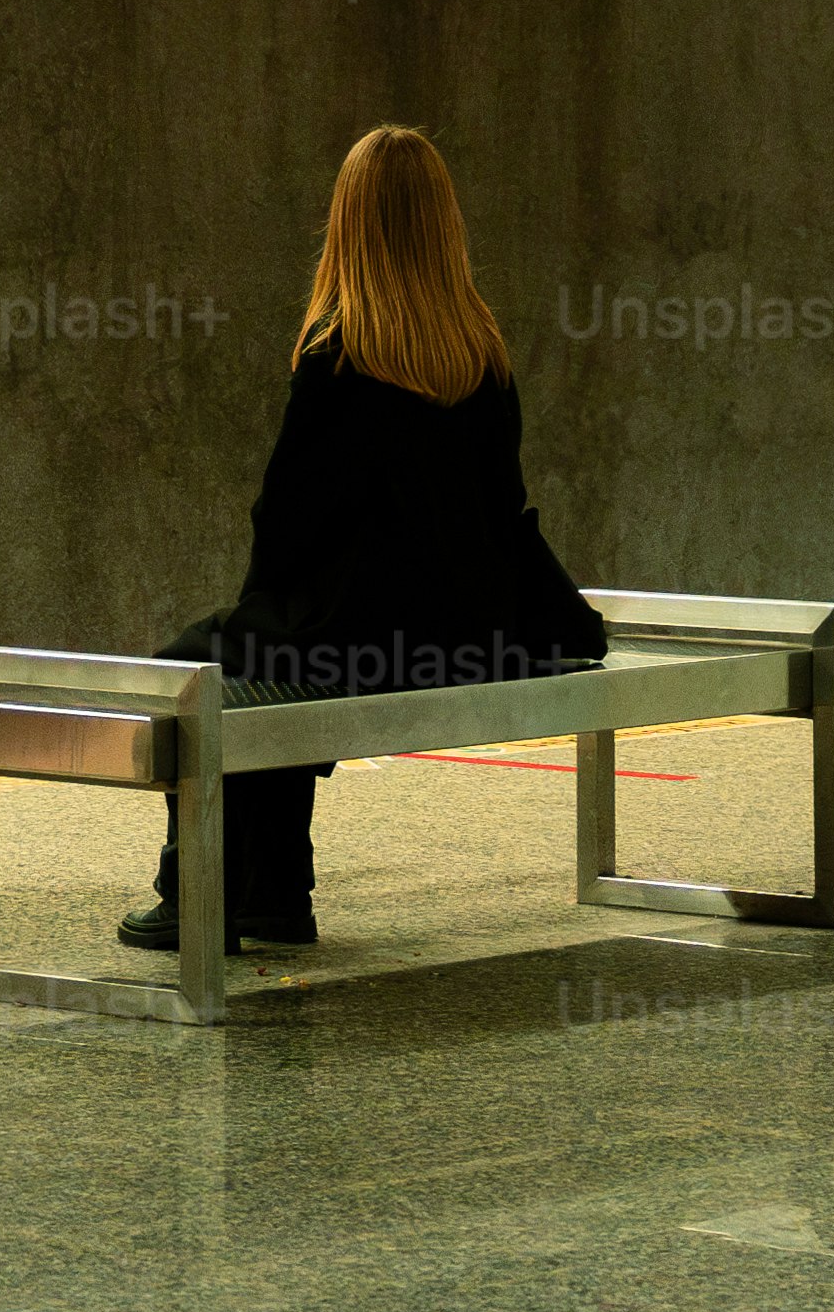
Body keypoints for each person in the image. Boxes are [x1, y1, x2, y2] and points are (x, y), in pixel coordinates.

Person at [123, 124, 607, 954]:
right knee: (268, 657)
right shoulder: (480, 353)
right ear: (441, 225)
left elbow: (288, 520)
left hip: (363, 637)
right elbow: (507, 505)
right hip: (470, 635)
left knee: (201, 664)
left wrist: (259, 606)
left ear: (348, 222)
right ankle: (271, 889)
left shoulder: (340, 354)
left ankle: (211, 886)